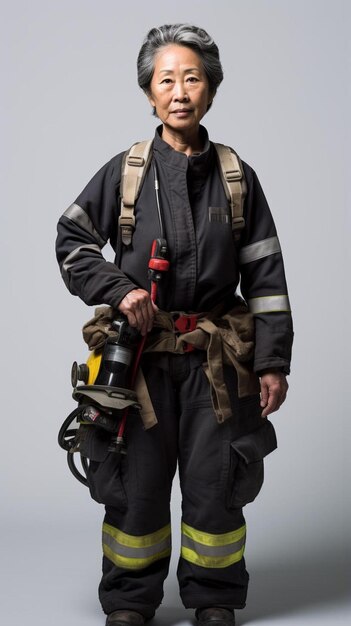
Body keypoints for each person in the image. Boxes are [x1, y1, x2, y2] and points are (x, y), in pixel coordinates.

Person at [56, 23, 293, 626]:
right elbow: (73, 241)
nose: (180, 90)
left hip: (218, 362)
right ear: (149, 93)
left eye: (193, 77)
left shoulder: (236, 177)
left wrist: (272, 362)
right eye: (167, 79)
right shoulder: (126, 171)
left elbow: (266, 280)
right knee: (134, 482)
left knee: (217, 483)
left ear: (210, 89)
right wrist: (121, 289)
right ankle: (131, 601)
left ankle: (214, 598)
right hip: (137, 360)